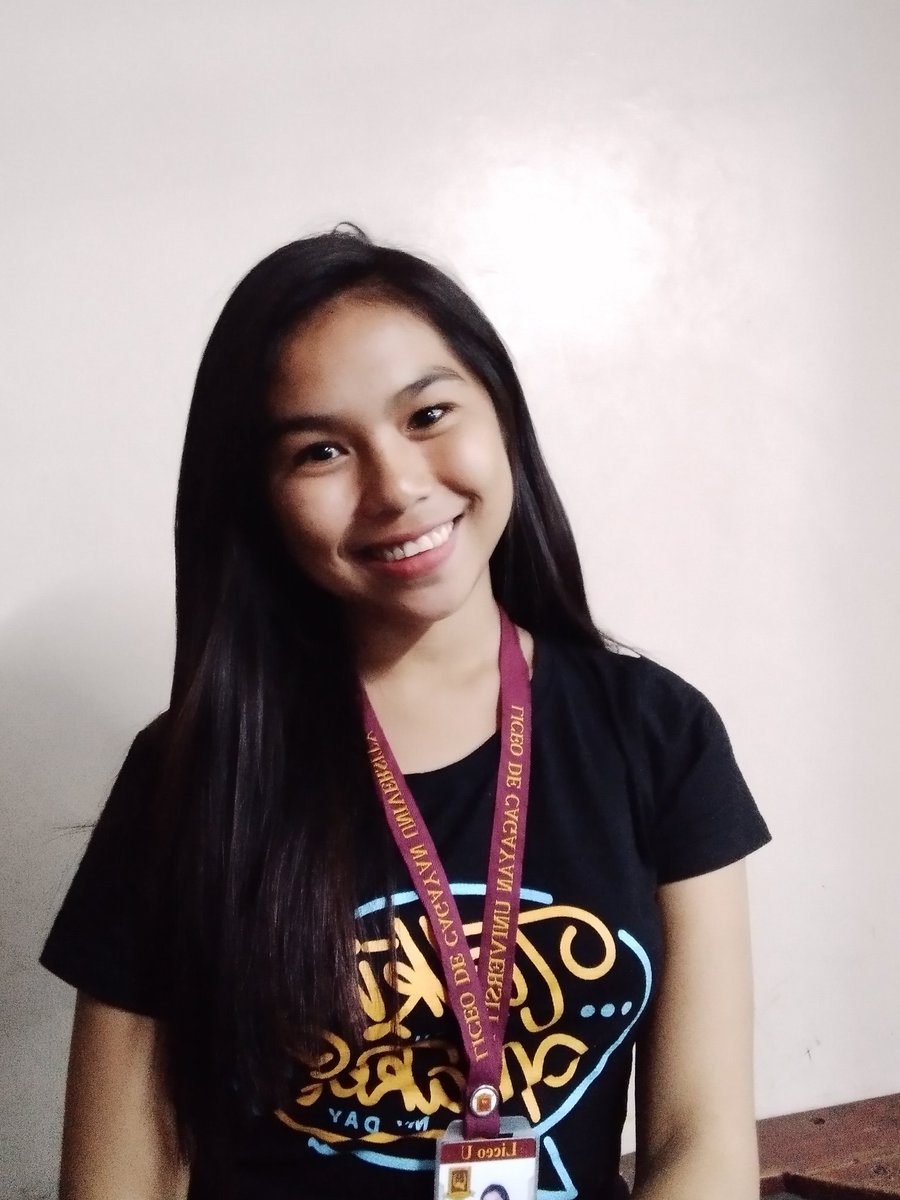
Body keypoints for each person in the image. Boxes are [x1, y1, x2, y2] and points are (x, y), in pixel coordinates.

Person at [41, 228, 770, 1200]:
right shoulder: (196, 770)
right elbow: (122, 1180)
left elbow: (699, 1140)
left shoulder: (659, 736)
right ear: (260, 499)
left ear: (501, 414)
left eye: (427, 414)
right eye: (321, 450)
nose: (396, 487)